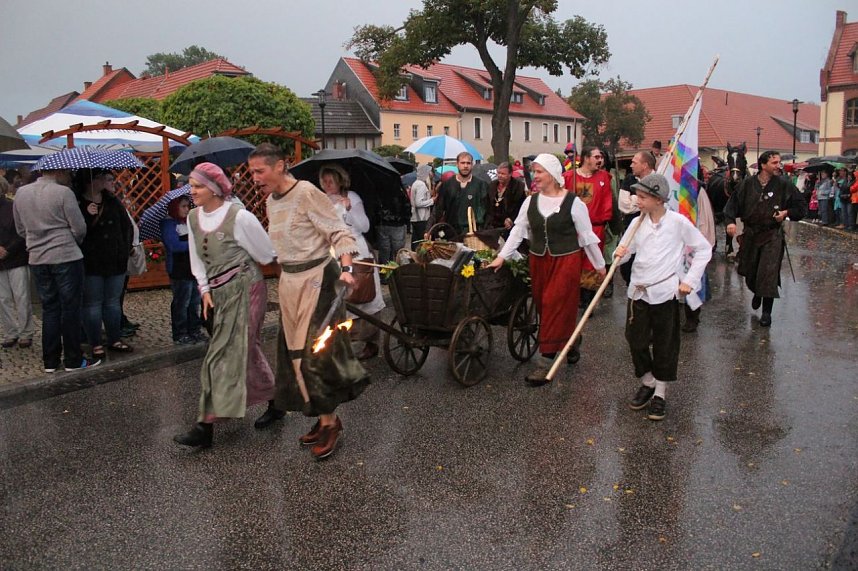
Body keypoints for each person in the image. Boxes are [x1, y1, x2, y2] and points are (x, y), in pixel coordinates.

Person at [248, 143, 369, 460]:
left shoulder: (306, 193)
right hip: (290, 282)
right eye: (252, 172)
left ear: (280, 166)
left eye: (259, 171)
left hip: (319, 280)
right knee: (295, 355)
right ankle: (324, 416)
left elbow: (339, 232)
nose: (255, 177)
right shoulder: (271, 202)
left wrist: (345, 268)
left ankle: (330, 424)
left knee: (316, 355)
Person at [173, 162, 279, 449]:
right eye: (192, 186)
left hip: (247, 288)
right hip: (218, 293)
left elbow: (266, 253)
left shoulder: (239, 217)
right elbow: (196, 258)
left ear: (215, 188)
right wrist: (205, 289)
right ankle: (276, 398)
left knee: (224, 353)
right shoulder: (194, 217)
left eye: (197, 186)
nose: (191, 191)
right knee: (245, 348)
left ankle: (204, 426)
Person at [487, 153, 606, 385]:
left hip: (566, 261)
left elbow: (587, 238)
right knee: (543, 305)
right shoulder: (530, 202)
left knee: (553, 303)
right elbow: (518, 231)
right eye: (534, 171)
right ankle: (571, 340)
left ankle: (545, 362)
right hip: (539, 261)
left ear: (552, 174)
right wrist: (502, 257)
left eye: (539, 171)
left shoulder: (574, 203)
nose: (535, 176)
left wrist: (600, 266)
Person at [613, 173, 712, 421]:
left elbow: (703, 249)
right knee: (634, 339)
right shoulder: (637, 223)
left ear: (658, 199)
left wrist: (690, 281)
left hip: (665, 292)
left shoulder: (678, 223)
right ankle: (647, 380)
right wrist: (620, 254)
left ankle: (660, 393)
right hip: (638, 290)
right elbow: (624, 254)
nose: (637, 200)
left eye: (643, 197)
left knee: (665, 343)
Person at [13, 166, 96, 372]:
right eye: (67, 172)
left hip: (37, 257)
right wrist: (71, 240)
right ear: (58, 172)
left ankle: (50, 361)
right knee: (70, 308)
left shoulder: (21, 193)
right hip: (65, 255)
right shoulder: (63, 193)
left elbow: (20, 228)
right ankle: (73, 359)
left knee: (50, 308)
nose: (69, 176)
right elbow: (79, 227)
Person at [724, 151, 807, 327]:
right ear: (763, 165)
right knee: (751, 273)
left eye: (779, 162)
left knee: (769, 274)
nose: (779, 166)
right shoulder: (747, 185)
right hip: (751, 236)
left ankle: (767, 313)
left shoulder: (784, 184)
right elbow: (731, 206)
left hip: (772, 236)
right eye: (774, 163)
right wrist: (731, 222)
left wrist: (786, 213)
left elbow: (801, 207)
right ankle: (757, 292)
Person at [319, 163, 385, 361]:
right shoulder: (319, 201)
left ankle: (370, 341)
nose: (327, 184)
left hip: (355, 252)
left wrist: (348, 210)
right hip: (331, 254)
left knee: (363, 297)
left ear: (340, 180)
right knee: (338, 300)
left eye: (331, 180)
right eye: (324, 180)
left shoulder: (353, 197)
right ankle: (339, 341)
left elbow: (364, 226)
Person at [74, 169, 134, 360]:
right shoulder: (78, 203)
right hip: (92, 261)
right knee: (92, 304)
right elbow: (77, 233)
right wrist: (87, 215)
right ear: (90, 180)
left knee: (112, 302)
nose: (105, 181)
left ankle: (114, 338)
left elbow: (126, 227)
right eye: (100, 177)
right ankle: (95, 342)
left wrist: (124, 250)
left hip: (115, 260)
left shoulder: (112, 201)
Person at [563, 146, 613, 308]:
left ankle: (587, 301)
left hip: (595, 228)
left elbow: (607, 203)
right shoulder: (569, 177)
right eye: (596, 157)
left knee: (592, 264)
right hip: (573, 229)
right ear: (585, 158)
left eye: (601, 157)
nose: (600, 160)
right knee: (573, 263)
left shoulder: (604, 177)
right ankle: (575, 297)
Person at [160, 195, 203, 345]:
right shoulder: (169, 224)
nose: (186, 209)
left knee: (194, 302)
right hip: (179, 269)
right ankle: (180, 332)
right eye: (183, 206)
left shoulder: (189, 222)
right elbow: (174, 245)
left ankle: (194, 330)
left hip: (193, 268)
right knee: (181, 302)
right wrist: (193, 244)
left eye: (187, 206)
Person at [0, 178, 35, 349]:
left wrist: (8, 249)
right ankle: (10, 331)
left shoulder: (12, 207)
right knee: (3, 299)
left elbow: (22, 231)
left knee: (22, 296)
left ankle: (26, 332)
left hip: (16, 257)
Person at [427, 152, 489, 237]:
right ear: (457, 164)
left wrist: (484, 231)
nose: (465, 166)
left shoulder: (481, 185)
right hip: (451, 232)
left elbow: (487, 210)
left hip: (474, 233)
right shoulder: (447, 185)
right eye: (462, 163)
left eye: (468, 163)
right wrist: (429, 229)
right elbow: (438, 209)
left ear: (472, 165)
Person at [618, 151, 655, 286]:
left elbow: (659, 205)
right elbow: (624, 205)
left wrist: (633, 199)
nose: (631, 165)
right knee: (628, 264)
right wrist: (643, 200)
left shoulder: (658, 180)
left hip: (652, 230)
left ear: (645, 165)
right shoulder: (629, 180)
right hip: (632, 228)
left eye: (634, 162)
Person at [485, 162, 526, 240]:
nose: (500, 176)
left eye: (503, 174)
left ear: (510, 174)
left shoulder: (518, 187)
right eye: (498, 173)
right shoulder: (492, 185)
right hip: (493, 225)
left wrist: (511, 219)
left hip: (509, 225)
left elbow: (521, 207)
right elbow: (488, 205)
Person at [410, 164, 434, 250]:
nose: (431, 174)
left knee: (415, 241)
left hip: (416, 217)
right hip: (421, 218)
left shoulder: (416, 183)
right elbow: (418, 203)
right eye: (429, 172)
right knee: (420, 242)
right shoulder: (421, 185)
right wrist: (432, 201)